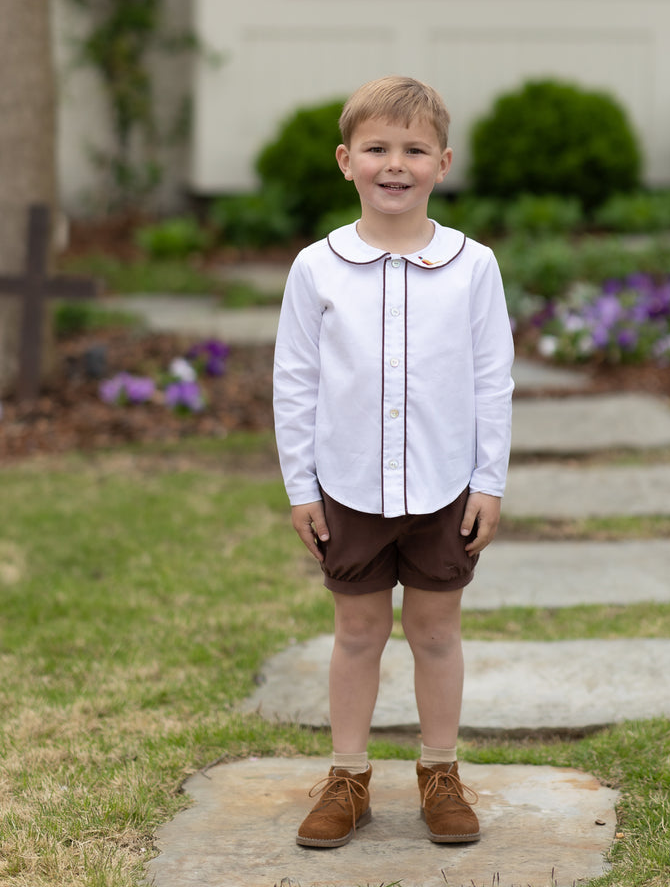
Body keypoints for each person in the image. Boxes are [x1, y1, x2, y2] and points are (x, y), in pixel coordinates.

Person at [272, 75, 514, 848]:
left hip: (446, 487)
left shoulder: (473, 266)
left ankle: (440, 775)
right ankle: (348, 780)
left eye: (414, 150)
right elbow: (295, 382)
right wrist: (300, 488)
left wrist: (489, 481)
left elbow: (492, 380)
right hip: (346, 487)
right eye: (377, 148)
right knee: (357, 632)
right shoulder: (317, 267)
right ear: (347, 160)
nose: (395, 164)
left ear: (444, 162)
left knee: (437, 632)